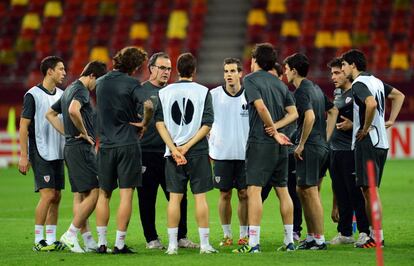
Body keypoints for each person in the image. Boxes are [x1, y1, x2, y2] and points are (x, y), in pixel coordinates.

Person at [233, 43, 296, 254]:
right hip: (281, 146)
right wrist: (278, 129)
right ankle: (289, 242)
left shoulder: (250, 79)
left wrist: (272, 129)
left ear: (255, 60)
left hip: (261, 141)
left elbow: (260, 107)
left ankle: (254, 244)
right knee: (283, 191)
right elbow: (294, 113)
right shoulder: (280, 84)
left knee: (254, 191)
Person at [340, 49, 405, 248]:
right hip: (381, 142)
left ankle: (377, 237)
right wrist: (391, 120)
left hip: (367, 142)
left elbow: (371, 103)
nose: (342, 69)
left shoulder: (359, 83)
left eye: (343, 65)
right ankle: (375, 235)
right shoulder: (376, 81)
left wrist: (365, 128)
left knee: (370, 191)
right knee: (369, 190)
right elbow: (399, 95)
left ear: (353, 65)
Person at [155, 52, 217, 255]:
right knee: (200, 198)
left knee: (174, 199)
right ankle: (205, 245)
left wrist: (174, 149)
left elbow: (160, 124)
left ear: (177, 70)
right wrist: (187, 147)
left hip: (172, 154)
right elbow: (207, 124)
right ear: (194, 71)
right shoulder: (203, 91)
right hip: (197, 152)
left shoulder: (164, 92)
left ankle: (172, 246)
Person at [95, 46, 153, 254]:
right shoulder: (132, 83)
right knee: (126, 195)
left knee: (104, 194)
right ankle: (119, 244)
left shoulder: (100, 82)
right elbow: (148, 105)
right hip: (128, 143)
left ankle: (101, 243)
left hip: (106, 145)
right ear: (135, 66)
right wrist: (144, 124)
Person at [137, 52, 198, 249]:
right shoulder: (139, 91)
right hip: (146, 152)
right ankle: (151, 239)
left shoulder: (172, 91)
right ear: (151, 68)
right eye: (162, 68)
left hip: (169, 152)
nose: (166, 72)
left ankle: (181, 236)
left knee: (179, 195)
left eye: (169, 68)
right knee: (147, 197)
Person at [45, 61, 107, 253]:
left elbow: (50, 114)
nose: (97, 87)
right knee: (95, 191)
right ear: (92, 76)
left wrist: (67, 133)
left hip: (71, 147)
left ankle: (87, 240)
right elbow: (73, 110)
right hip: (81, 148)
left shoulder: (69, 89)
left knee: (81, 194)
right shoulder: (81, 91)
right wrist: (84, 132)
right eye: (98, 81)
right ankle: (70, 235)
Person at [283, 53, 337, 250]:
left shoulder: (301, 92)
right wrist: (325, 137)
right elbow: (333, 111)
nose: (285, 72)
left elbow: (310, 117)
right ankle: (312, 236)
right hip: (320, 146)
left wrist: (302, 143)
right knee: (302, 190)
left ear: (294, 71)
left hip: (311, 147)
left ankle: (319, 239)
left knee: (310, 191)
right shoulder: (315, 88)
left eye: (286, 69)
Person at [18, 56, 66, 251]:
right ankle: (38, 240)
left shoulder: (62, 94)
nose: (64, 73)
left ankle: (51, 239)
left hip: (58, 151)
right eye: (61, 69)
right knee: (47, 195)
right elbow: (23, 126)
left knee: (57, 196)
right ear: (49, 71)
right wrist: (24, 155)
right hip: (40, 149)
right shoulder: (33, 95)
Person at [326, 58, 370, 246]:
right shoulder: (338, 93)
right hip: (335, 150)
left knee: (355, 193)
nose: (333, 77)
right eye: (332, 73)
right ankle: (345, 233)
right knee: (341, 192)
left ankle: (364, 231)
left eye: (337, 72)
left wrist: (354, 125)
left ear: (346, 72)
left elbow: (371, 113)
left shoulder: (357, 91)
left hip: (350, 150)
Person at [208, 58, 249, 247]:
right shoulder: (214, 95)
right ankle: (226, 235)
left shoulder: (249, 95)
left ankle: (244, 234)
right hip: (221, 155)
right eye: (226, 71)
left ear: (240, 73)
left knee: (244, 194)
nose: (229, 75)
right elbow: (205, 122)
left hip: (245, 155)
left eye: (232, 71)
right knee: (224, 194)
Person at [262, 62, 303, 242]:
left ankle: (295, 231)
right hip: (265, 153)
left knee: (292, 193)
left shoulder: (289, 98)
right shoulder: (260, 100)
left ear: (280, 78)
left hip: (287, 153)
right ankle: (248, 231)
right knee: (256, 193)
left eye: (273, 76)